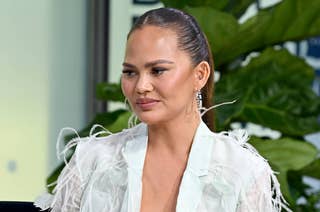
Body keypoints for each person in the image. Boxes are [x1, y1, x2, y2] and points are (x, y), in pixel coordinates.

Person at [35, 7, 290, 212]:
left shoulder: (242, 171)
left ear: (200, 75)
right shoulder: (92, 161)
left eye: (158, 70)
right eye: (130, 72)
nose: (141, 86)